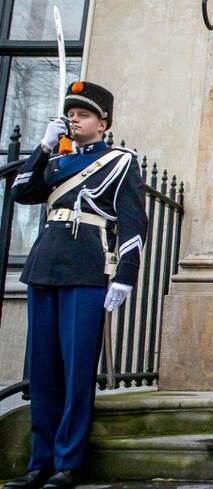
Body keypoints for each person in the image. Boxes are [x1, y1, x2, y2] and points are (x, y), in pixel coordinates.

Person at [4, 81, 147, 489]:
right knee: (43, 370)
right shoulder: (56, 162)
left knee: (77, 369)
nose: (73, 119)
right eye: (71, 114)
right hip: (45, 267)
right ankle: (40, 461)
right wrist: (44, 147)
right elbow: (22, 192)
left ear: (103, 121)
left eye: (82, 114)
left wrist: (125, 276)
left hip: (86, 268)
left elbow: (134, 224)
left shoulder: (120, 162)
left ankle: (69, 461)